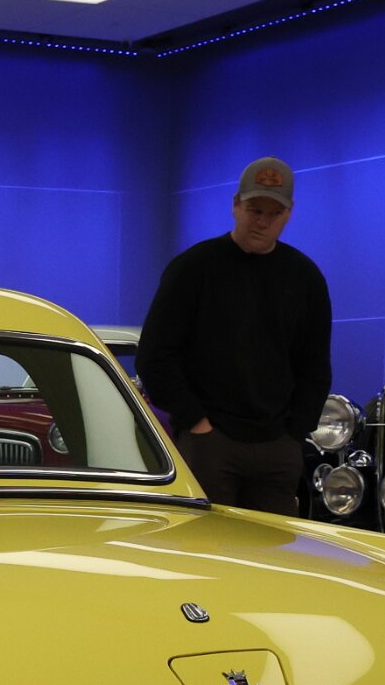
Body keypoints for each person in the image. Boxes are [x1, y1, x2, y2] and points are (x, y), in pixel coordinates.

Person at [137, 157, 333, 515]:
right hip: (210, 443)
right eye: (255, 209)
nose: (263, 221)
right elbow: (155, 355)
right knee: (208, 544)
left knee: (274, 547)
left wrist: (295, 432)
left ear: (289, 214)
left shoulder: (305, 278)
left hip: (277, 445)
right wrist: (196, 422)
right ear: (236, 206)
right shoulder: (193, 268)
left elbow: (315, 364)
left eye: (274, 213)